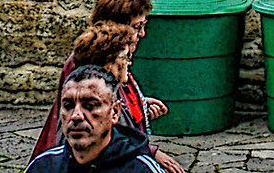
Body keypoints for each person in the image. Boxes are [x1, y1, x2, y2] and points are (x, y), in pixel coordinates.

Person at [35, 0, 158, 158]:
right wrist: (150, 152)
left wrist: (140, 105)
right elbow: (95, 119)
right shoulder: (93, 64)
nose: (142, 34)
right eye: (137, 27)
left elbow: (118, 101)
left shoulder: (113, 57)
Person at [26, 66, 179, 173]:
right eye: (68, 106)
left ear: (115, 112)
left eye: (90, 106)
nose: (76, 115)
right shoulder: (43, 166)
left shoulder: (141, 169)